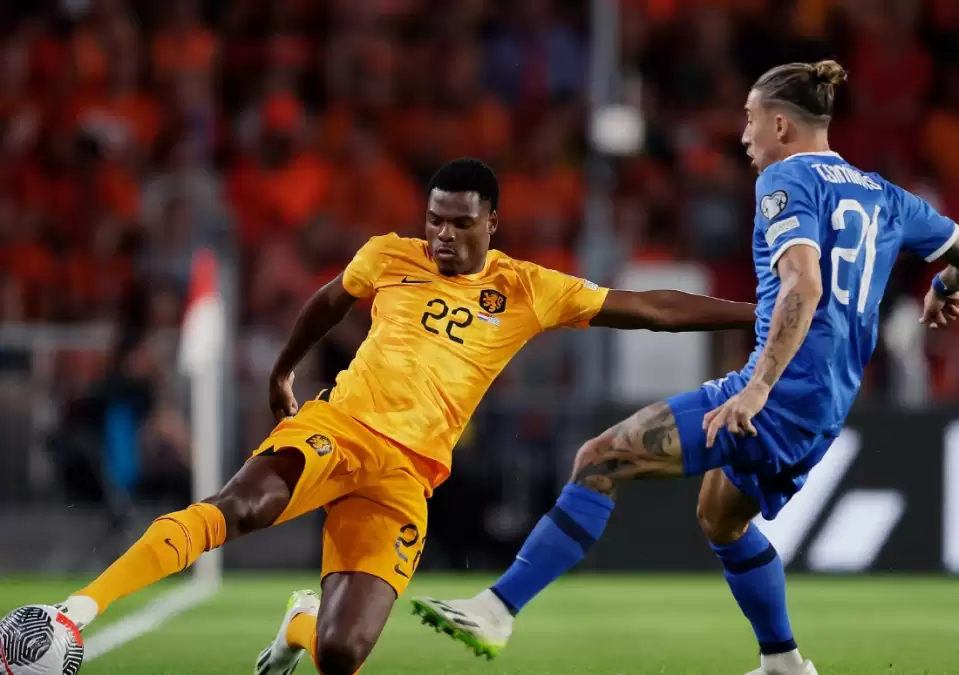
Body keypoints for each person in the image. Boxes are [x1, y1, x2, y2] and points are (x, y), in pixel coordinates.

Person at [45, 158, 757, 675]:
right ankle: (72, 615)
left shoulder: (527, 288)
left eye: (460, 223)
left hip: (408, 476)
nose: (442, 234)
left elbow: (651, 308)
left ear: (491, 223)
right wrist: (284, 369)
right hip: (341, 426)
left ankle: (301, 624)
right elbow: (329, 300)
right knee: (242, 507)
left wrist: (759, 314)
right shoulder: (389, 255)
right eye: (434, 219)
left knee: (341, 654)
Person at [412, 63, 959, 675]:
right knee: (721, 518)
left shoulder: (785, 180)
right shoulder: (883, 195)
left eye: (750, 119)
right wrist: (944, 283)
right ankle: (783, 664)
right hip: (827, 402)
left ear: (781, 125)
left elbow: (803, 284)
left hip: (781, 392)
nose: (744, 135)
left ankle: (497, 609)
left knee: (601, 458)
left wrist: (757, 387)